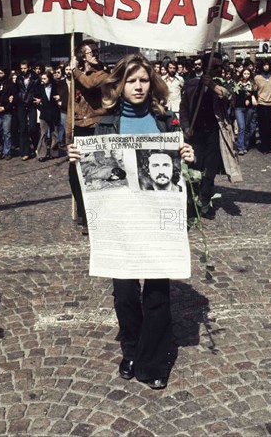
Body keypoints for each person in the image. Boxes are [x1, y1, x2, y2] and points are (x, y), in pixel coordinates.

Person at [68, 53, 194, 390]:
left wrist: (186, 157)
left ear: (151, 85)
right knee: (124, 295)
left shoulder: (166, 122)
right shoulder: (105, 124)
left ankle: (151, 360)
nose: (138, 87)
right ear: (119, 85)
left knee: (156, 294)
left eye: (143, 81)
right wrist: (76, 163)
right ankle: (132, 348)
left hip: (156, 224)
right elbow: (87, 186)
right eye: (131, 81)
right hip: (120, 225)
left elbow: (182, 179)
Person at [180, 52, 242, 219]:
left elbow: (230, 98)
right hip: (195, 134)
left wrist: (213, 86)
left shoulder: (223, 84)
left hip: (214, 134)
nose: (217, 70)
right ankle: (192, 203)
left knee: (210, 171)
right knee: (194, 170)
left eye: (219, 67)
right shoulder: (191, 85)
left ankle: (205, 203)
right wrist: (186, 127)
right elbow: (184, 109)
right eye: (213, 67)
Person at [66, 39, 109, 234]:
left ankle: (92, 217)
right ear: (82, 56)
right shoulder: (75, 77)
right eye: (91, 52)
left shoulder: (102, 73)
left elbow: (90, 85)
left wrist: (75, 70)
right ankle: (84, 211)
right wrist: (68, 135)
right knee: (74, 176)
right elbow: (70, 107)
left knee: (94, 174)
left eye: (96, 51)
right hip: (79, 128)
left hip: (95, 126)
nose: (95, 54)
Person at [16, 60, 40, 160]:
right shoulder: (19, 78)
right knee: (23, 128)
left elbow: (39, 90)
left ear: (29, 68)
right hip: (21, 104)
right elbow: (17, 89)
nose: (23, 70)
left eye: (25, 68)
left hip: (32, 104)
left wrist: (38, 98)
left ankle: (37, 146)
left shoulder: (35, 78)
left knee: (33, 127)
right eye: (21, 69)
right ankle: (25, 152)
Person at [34, 70, 60, 161]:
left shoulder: (56, 86)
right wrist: (40, 107)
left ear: (49, 78)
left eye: (45, 78)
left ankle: (54, 152)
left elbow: (60, 96)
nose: (43, 80)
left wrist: (59, 99)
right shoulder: (39, 88)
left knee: (54, 133)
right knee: (43, 133)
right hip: (44, 113)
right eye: (42, 79)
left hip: (54, 112)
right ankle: (42, 154)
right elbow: (35, 99)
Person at [253, 59, 271, 154]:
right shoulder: (257, 78)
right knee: (263, 126)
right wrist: (254, 99)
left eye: (267, 65)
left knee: (270, 125)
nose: (266, 67)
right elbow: (254, 90)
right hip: (262, 103)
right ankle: (264, 146)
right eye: (264, 65)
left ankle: (270, 145)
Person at [234, 68, 257, 155]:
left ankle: (245, 145)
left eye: (248, 74)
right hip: (239, 107)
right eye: (244, 73)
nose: (246, 75)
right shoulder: (237, 83)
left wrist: (250, 98)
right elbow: (234, 94)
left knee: (247, 128)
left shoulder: (252, 84)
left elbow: (255, 95)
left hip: (249, 108)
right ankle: (240, 147)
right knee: (241, 127)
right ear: (242, 74)